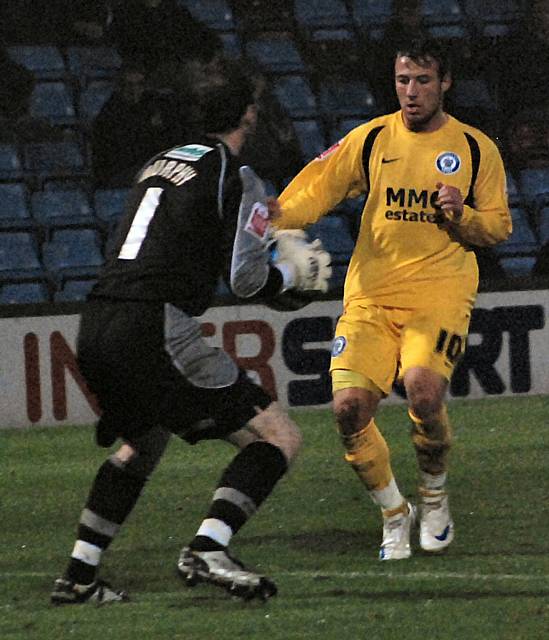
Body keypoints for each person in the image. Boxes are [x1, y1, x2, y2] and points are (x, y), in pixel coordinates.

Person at [50, 58, 331, 605]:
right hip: (153, 323)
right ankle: (210, 545)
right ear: (248, 115)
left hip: (99, 316)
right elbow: (246, 280)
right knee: (280, 436)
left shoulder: (158, 162)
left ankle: (79, 576)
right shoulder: (238, 175)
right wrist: (291, 277)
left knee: (145, 440)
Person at [270, 38, 511, 561]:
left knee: (423, 391)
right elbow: (317, 189)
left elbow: (498, 227)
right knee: (348, 409)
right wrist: (277, 216)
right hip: (372, 294)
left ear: (444, 83)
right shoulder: (372, 138)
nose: (411, 91)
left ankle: (434, 493)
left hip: (440, 290)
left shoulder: (475, 148)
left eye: (423, 80)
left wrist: (462, 215)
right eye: (403, 80)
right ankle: (394, 513)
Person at [90, 64, 191, 188]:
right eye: (129, 85)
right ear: (120, 87)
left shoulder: (154, 106)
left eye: (139, 85)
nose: (134, 90)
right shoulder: (110, 114)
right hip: (122, 171)